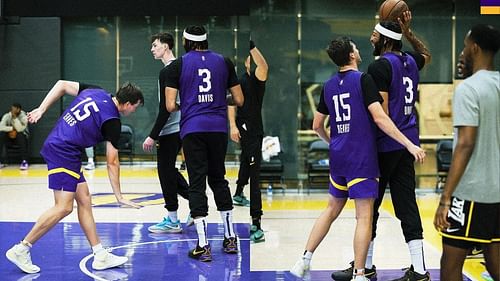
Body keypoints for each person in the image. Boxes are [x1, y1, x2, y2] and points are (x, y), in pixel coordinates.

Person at [290, 36, 425, 281]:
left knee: (331, 210)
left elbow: (317, 125)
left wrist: (333, 142)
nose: (359, 49)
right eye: (355, 47)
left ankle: (304, 259)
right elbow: (381, 118)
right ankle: (360, 274)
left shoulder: (329, 85)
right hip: (361, 158)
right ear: (352, 55)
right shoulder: (364, 80)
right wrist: (409, 144)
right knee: (364, 217)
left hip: (338, 156)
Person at [332, 12, 432, 281]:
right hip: (407, 142)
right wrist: (409, 32)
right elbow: (427, 54)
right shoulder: (411, 61)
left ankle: (364, 266)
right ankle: (420, 270)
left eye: (375, 36)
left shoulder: (379, 67)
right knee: (406, 206)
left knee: (368, 209)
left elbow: (381, 114)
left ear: (386, 41)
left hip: (385, 145)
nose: (371, 39)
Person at [5, 80, 144, 274]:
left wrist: (42, 109)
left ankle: (100, 255)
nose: (134, 111)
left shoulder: (96, 91)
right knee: (64, 207)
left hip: (63, 147)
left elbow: (61, 84)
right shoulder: (112, 121)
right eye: (135, 108)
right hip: (64, 150)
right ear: (128, 104)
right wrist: (119, 196)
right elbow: (112, 162)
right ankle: (22, 248)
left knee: (85, 199)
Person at [165, 25, 244, 262]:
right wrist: (218, 98)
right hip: (218, 127)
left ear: (186, 42)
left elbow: (170, 105)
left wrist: (189, 104)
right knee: (218, 178)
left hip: (193, 128)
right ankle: (230, 239)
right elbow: (239, 99)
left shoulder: (178, 65)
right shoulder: (224, 61)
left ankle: (203, 245)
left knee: (197, 181)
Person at [434, 24, 500, 281]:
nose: (462, 52)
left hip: (471, 192)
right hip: (497, 192)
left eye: (464, 46)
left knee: (450, 264)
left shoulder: (468, 89)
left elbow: (465, 143)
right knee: (494, 261)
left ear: (475, 48)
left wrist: (446, 198)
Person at [142, 32, 191, 234]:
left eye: (155, 45)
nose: (152, 49)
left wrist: (152, 135)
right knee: (168, 170)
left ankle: (172, 219)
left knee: (165, 171)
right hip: (181, 127)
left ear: (166, 46)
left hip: (171, 129)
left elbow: (166, 108)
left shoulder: (170, 70)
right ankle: (196, 202)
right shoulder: (179, 67)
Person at [228, 39, 268, 242]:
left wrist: (252, 46)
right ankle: (253, 217)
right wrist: (233, 126)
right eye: (249, 58)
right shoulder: (239, 80)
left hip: (254, 131)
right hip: (243, 129)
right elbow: (231, 103)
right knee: (248, 163)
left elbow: (263, 65)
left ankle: (255, 219)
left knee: (252, 167)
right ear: (245, 62)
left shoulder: (257, 81)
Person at [0, 103, 30, 170]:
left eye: (14, 109)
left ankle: (24, 161)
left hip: (20, 139)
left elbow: (20, 129)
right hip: (9, 138)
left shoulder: (24, 117)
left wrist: (15, 118)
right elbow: (1, 127)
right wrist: (11, 129)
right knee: (2, 134)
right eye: (12, 109)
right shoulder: (7, 116)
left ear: (18, 109)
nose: (12, 111)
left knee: (20, 135)